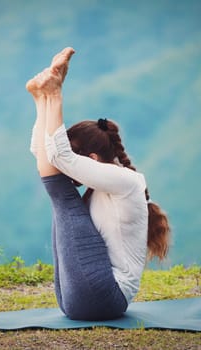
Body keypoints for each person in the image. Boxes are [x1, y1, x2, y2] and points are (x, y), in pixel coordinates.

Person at [26, 47, 170, 321]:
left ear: (92, 159)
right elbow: (44, 154)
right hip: (78, 298)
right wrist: (40, 100)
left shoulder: (125, 181)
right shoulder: (102, 187)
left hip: (105, 296)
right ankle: (42, 95)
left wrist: (55, 94)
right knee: (59, 192)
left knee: (61, 194)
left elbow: (57, 157)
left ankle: (47, 93)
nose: (67, 169)